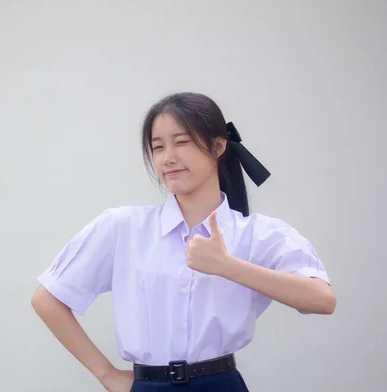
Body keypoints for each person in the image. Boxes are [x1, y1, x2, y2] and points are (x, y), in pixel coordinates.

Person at [31, 92, 336, 391]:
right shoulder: (124, 227)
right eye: (158, 146)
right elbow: (47, 299)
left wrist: (227, 266)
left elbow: (322, 299)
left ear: (218, 146)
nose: (168, 157)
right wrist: (107, 375)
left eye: (181, 142)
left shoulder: (258, 233)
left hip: (221, 385)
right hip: (150, 385)